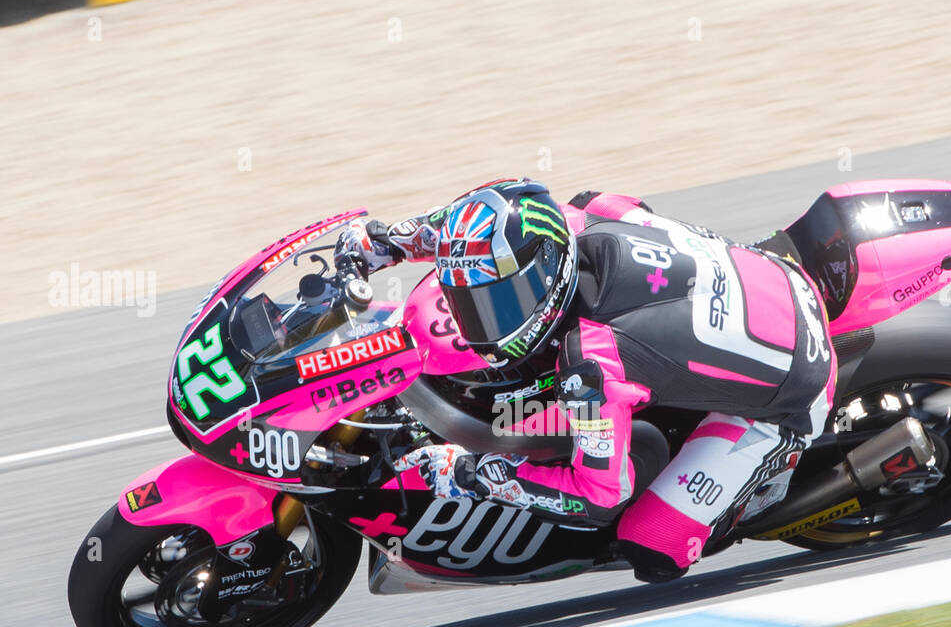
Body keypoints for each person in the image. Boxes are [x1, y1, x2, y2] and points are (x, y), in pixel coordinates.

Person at [335, 178, 836, 583]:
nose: (478, 321)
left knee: (652, 548)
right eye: (471, 301)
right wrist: (386, 242)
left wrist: (471, 472)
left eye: (498, 304)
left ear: (547, 274)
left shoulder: (593, 362)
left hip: (790, 394)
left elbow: (598, 498)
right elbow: (463, 230)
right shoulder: (573, 217)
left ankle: (753, 497)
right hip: (770, 275)